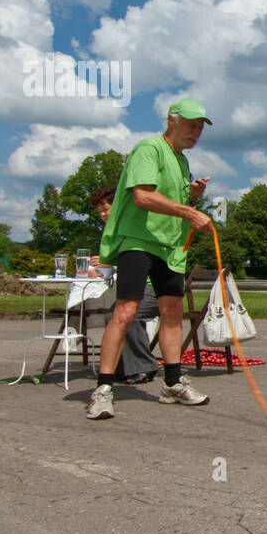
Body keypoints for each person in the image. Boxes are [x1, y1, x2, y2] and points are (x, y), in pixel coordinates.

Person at [87, 99, 214, 420]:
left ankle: (172, 383)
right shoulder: (149, 148)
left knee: (172, 313)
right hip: (139, 242)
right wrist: (190, 211)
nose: (195, 132)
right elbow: (142, 196)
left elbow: (173, 198)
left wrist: (191, 195)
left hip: (170, 248)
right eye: (190, 124)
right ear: (171, 120)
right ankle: (103, 389)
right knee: (126, 310)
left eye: (200, 127)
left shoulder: (182, 161)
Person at [88, 186, 158, 385]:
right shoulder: (113, 231)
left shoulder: (130, 227)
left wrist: (111, 261)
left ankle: (144, 365)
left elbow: (140, 257)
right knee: (116, 315)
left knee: (121, 316)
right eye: (100, 212)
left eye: (106, 209)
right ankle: (125, 367)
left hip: (154, 285)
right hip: (136, 286)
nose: (102, 214)